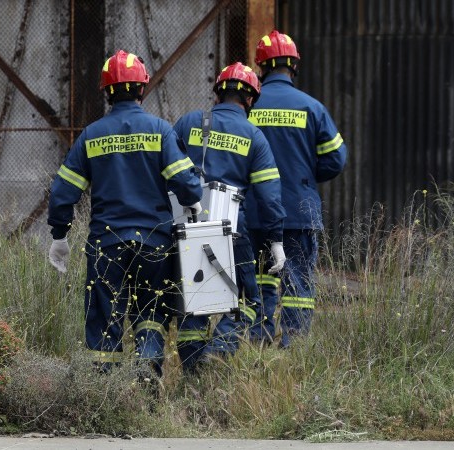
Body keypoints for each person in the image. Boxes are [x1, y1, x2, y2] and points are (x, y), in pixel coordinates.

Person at [46, 50, 202, 378]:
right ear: (142, 88)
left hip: (107, 243)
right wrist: (193, 201)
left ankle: (107, 391)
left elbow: (62, 192)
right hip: (154, 243)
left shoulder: (91, 135)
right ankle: (147, 365)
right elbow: (188, 184)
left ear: (106, 92)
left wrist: (60, 235)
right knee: (151, 311)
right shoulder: (160, 130)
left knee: (105, 317)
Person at [172, 62, 286, 370]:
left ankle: (194, 373)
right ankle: (220, 349)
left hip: (188, 228)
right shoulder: (254, 136)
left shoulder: (188, 123)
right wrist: (276, 239)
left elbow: (166, 169)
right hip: (233, 229)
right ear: (251, 99)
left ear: (219, 92)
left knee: (194, 303)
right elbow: (268, 194)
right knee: (250, 299)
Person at [246, 30, 348, 348]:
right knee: (298, 280)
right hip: (297, 210)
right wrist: (304, 174)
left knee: (258, 278)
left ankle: (256, 342)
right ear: (293, 66)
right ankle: (294, 347)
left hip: (253, 210)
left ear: (261, 67)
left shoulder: (248, 108)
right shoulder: (311, 108)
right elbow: (336, 159)